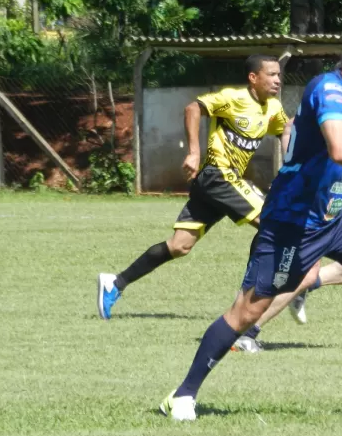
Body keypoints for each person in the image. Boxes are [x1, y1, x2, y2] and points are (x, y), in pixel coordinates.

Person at [160, 20, 342, 420]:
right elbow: (340, 151)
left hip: (333, 216)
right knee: (245, 313)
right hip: (293, 221)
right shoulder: (329, 89)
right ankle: (182, 395)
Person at [96, 55, 291, 319]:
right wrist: (194, 152)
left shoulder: (272, 108)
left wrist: (290, 162)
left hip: (218, 184)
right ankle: (250, 300)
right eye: (271, 75)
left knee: (179, 246)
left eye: (279, 75)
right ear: (253, 78)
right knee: (273, 222)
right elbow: (192, 108)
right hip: (218, 176)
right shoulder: (233, 98)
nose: (277, 80)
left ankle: (115, 283)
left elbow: (285, 129)